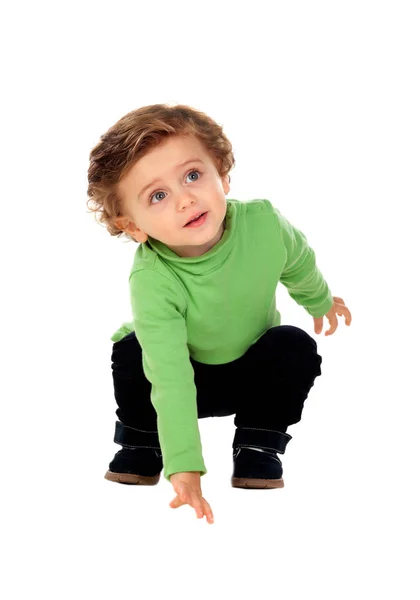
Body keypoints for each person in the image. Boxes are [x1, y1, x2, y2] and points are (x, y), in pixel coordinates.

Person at [86, 103, 352, 525]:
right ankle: (143, 442)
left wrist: (319, 299)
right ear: (133, 226)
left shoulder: (263, 223)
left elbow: (297, 260)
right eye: (158, 196)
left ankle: (258, 444)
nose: (186, 199)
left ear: (222, 174)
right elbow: (169, 376)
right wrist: (185, 466)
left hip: (249, 375)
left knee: (294, 345)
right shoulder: (153, 279)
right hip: (181, 377)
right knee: (132, 352)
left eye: (192, 175)